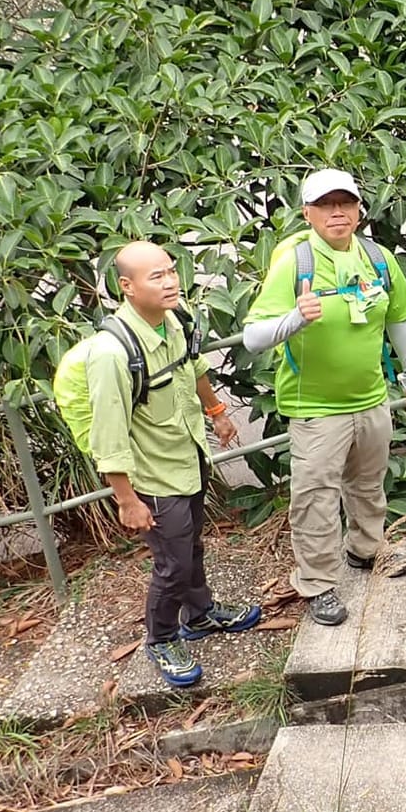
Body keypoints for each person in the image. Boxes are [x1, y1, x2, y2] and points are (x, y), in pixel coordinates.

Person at [243, 169, 406, 627]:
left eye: (345, 203)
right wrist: (294, 320)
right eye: (326, 205)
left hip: (370, 399)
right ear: (308, 213)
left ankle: (367, 551)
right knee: (315, 498)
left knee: (369, 483)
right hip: (315, 409)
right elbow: (252, 337)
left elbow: (399, 321)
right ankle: (318, 584)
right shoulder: (296, 262)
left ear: (359, 210)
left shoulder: (377, 258)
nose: (337, 213)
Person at [88, 241, 260, 689]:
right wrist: (126, 500)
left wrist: (217, 413)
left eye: (171, 272)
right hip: (154, 478)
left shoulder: (174, 322)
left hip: (187, 459)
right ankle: (161, 637)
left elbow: (193, 367)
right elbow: (107, 436)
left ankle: (199, 615)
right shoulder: (112, 354)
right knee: (172, 564)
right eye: (156, 277)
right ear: (126, 287)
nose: (170, 282)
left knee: (190, 550)